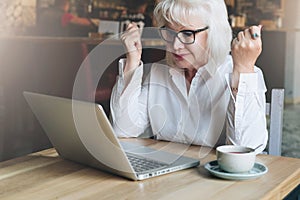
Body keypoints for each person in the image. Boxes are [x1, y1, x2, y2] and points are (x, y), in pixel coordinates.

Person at [110, 0, 267, 153]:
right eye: (169, 33)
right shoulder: (159, 72)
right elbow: (122, 130)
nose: (176, 46)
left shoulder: (241, 73)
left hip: (216, 175)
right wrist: (132, 61)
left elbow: (246, 149)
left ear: (214, 32)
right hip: (169, 174)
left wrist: (243, 69)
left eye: (187, 33)